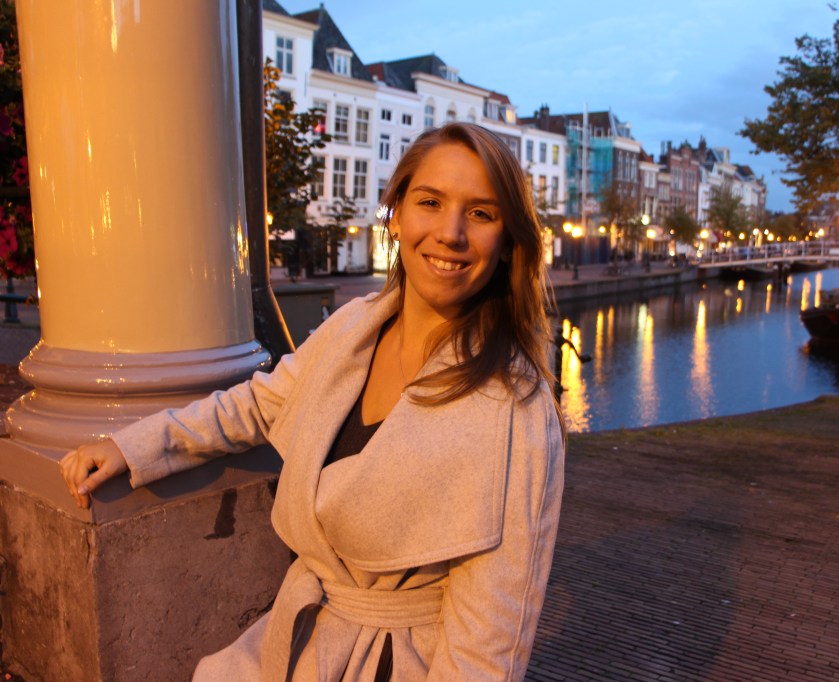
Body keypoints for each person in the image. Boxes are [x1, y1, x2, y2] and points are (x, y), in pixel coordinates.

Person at [59, 122, 566, 681]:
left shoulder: (514, 408)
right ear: (396, 216)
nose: (450, 233)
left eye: (481, 213)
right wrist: (136, 447)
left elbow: (490, 642)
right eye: (430, 202)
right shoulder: (353, 327)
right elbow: (260, 404)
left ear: (507, 242)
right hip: (300, 633)